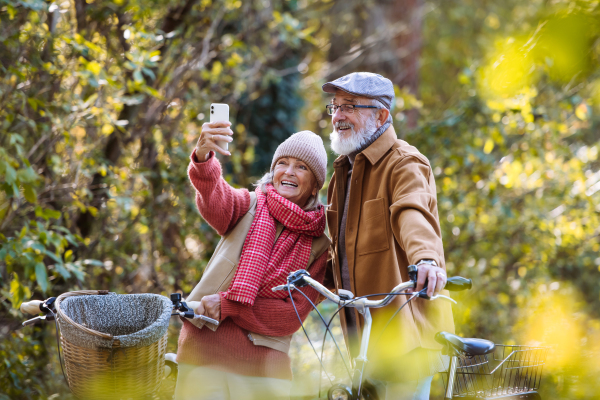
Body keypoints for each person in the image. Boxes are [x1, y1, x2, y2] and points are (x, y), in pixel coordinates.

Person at [322, 72, 455, 400]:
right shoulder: (343, 171)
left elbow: (413, 212)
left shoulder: (403, 162)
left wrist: (426, 259)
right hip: (361, 340)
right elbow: (334, 246)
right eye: (335, 107)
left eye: (350, 106)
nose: (338, 116)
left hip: (405, 338)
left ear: (380, 115)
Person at [175, 123, 330, 400]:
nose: (289, 172)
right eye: (282, 163)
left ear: (315, 183)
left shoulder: (320, 246)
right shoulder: (248, 205)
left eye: (301, 167)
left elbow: (290, 315)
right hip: (204, 356)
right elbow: (214, 196)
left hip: (265, 373)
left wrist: (229, 305)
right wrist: (203, 158)